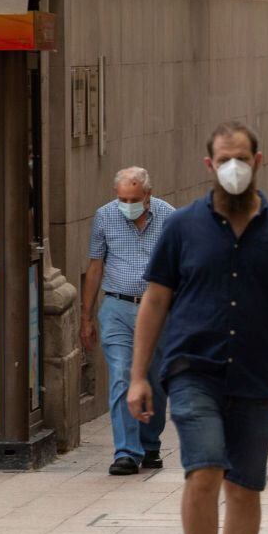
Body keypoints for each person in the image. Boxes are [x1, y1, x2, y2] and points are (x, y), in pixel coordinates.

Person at [128, 121, 268, 534]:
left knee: (245, 485)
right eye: (223, 158)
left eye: (242, 157)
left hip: (257, 375)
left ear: (258, 159)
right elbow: (156, 299)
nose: (233, 166)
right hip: (193, 370)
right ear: (210, 165)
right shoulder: (183, 227)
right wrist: (138, 375)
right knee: (204, 469)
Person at [81, 167, 173, 475]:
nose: (127, 204)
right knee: (121, 376)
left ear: (148, 194)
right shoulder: (105, 216)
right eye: (122, 198)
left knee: (156, 380)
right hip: (118, 306)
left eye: (133, 198)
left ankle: (150, 444)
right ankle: (126, 452)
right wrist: (86, 316)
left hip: (159, 311)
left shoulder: (170, 218)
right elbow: (95, 267)